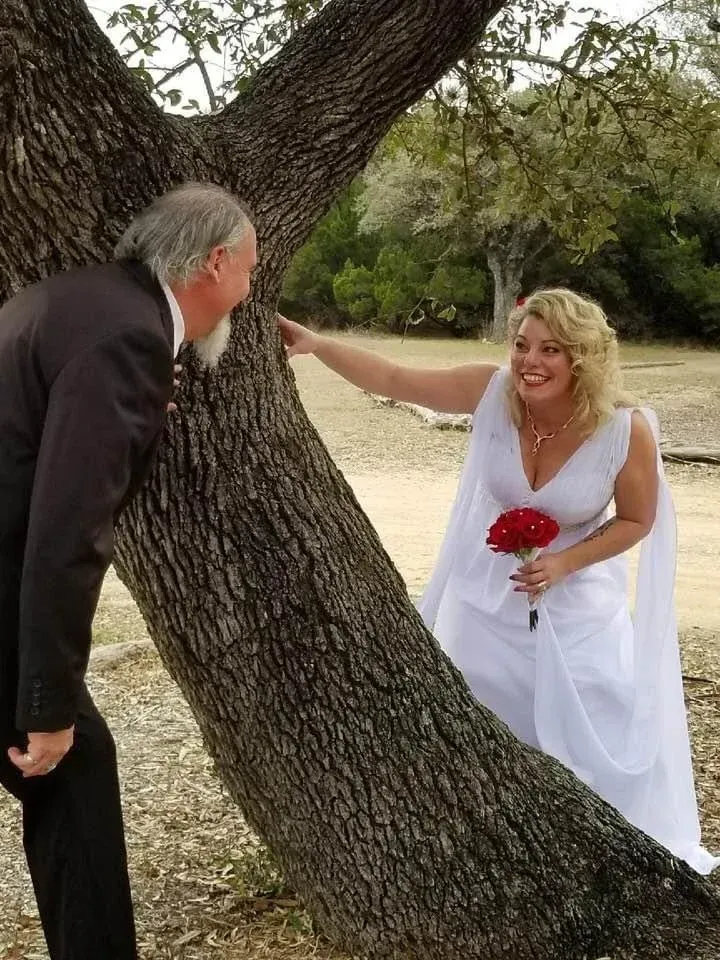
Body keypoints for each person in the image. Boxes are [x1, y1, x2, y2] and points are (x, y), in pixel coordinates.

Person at [278, 289, 718, 875]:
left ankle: (598, 854)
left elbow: (638, 521)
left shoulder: (624, 430)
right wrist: (316, 344)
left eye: (551, 350)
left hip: (577, 605)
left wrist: (563, 563)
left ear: (582, 359)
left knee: (592, 725)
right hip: (486, 602)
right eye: (521, 345)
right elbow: (394, 377)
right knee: (489, 726)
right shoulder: (490, 391)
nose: (529, 362)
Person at [0, 181, 256, 959]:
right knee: (70, 761)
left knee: (74, 772)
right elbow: (67, 532)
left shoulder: (89, 305)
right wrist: (45, 702)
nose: (249, 289)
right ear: (214, 263)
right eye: (250, 268)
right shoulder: (128, 339)